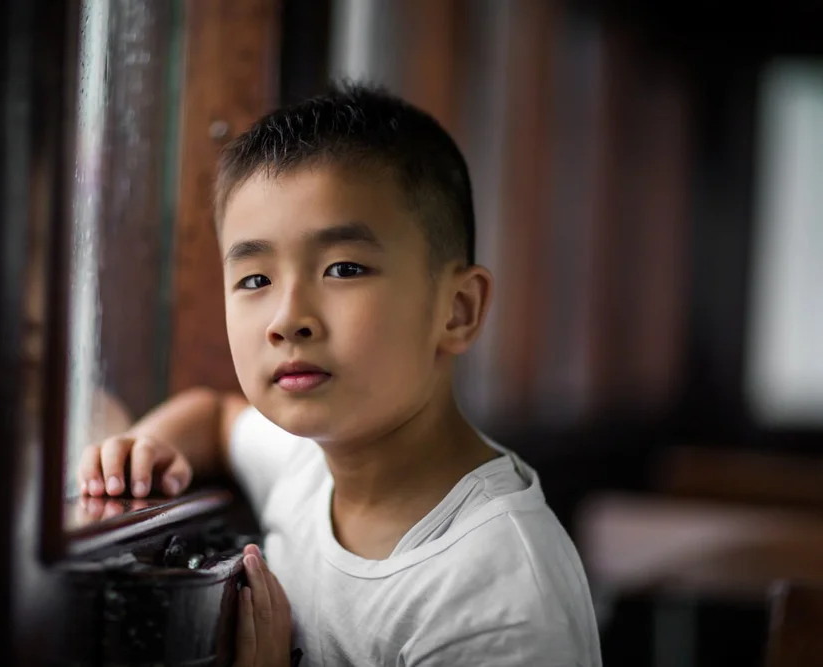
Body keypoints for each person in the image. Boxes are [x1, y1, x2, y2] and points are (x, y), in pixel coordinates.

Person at [78, 82, 602, 666]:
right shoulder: (313, 462)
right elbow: (216, 414)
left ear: (457, 310)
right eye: (255, 279)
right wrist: (148, 449)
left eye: (344, 268)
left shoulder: (496, 601)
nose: (286, 319)